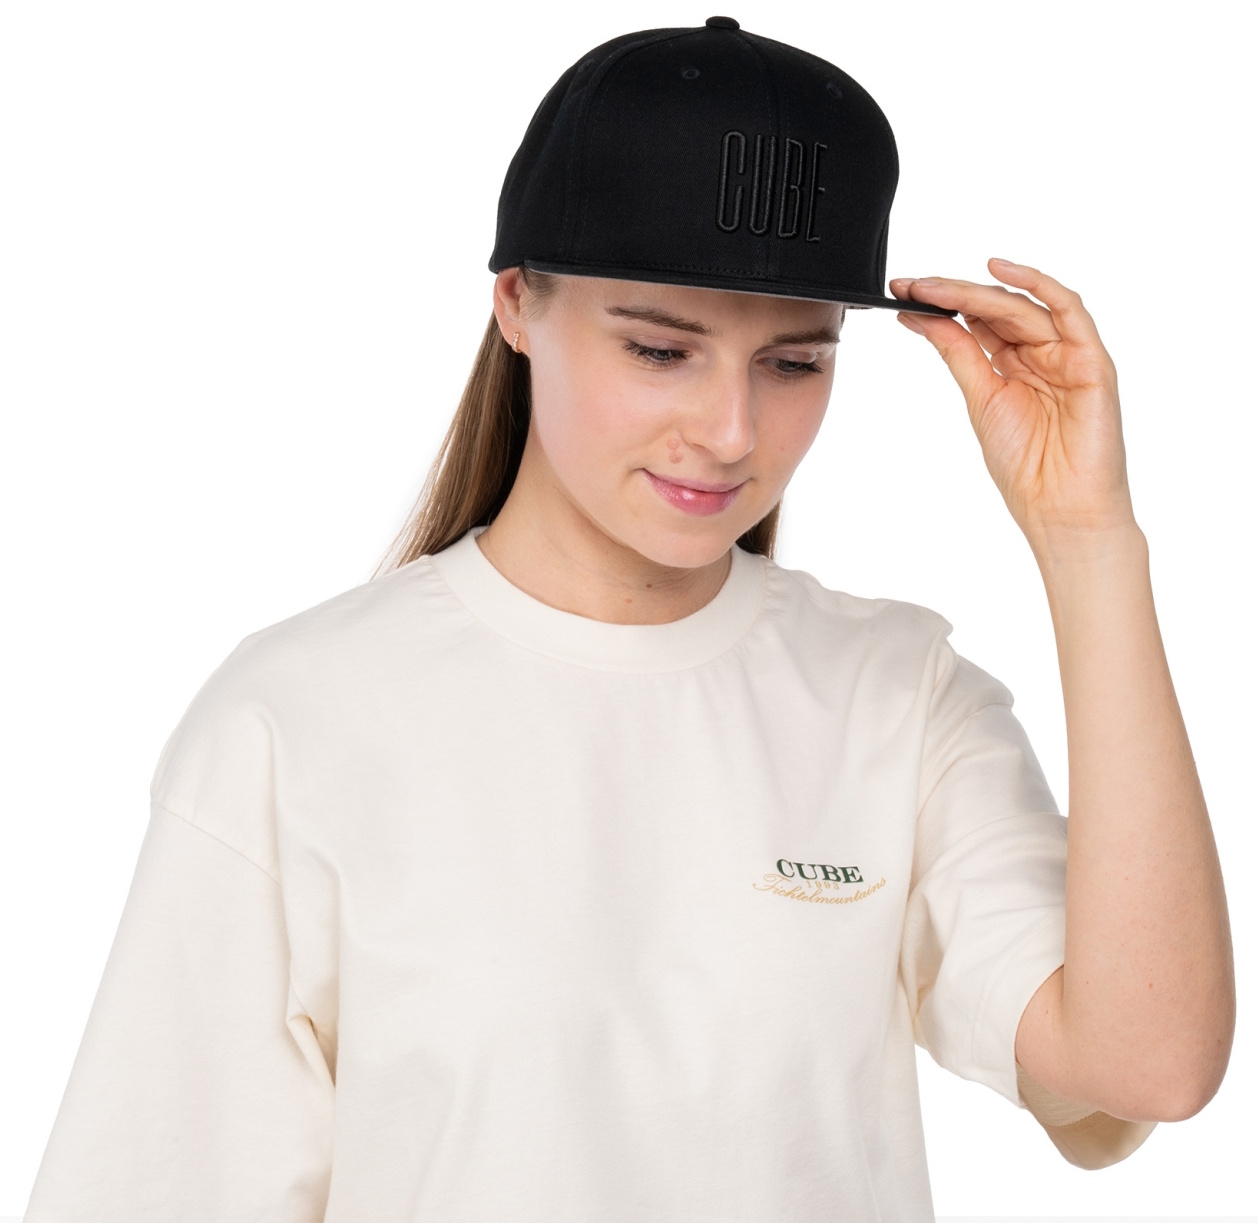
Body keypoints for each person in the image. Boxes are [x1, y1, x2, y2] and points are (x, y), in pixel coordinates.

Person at [24, 16, 1234, 1223]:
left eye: (794, 363)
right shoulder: (299, 719)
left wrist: (1087, 542)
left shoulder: (895, 694)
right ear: (516, 302)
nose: (730, 430)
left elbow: (1145, 1064)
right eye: (661, 350)